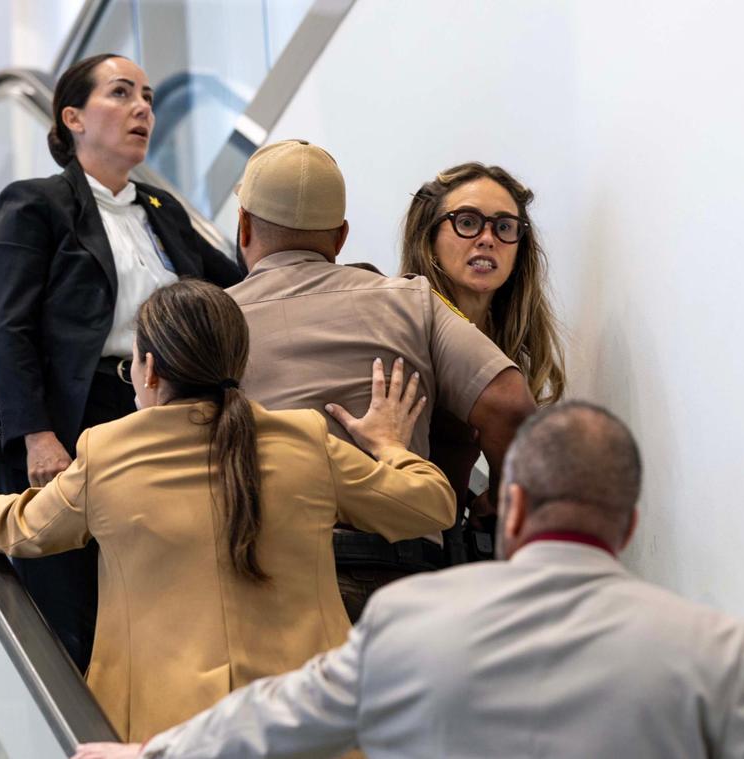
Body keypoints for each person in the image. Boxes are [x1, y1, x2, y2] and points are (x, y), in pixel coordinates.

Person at [75, 402, 744, 759]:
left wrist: (149, 751)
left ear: (510, 505)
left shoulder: (411, 619)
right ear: (629, 524)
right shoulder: (721, 651)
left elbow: (274, 716)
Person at [0, 279, 456, 744]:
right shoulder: (305, 440)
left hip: (163, 733)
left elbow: (29, 528)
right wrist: (390, 444)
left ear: (150, 368)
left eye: (129, 362)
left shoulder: (107, 452)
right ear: (237, 362)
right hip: (304, 725)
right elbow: (431, 507)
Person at [0, 54, 241, 669]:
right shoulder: (35, 204)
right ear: (73, 117)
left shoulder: (166, 215)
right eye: (121, 94)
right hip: (68, 418)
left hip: (157, 417)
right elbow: (9, 329)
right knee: (72, 615)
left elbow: (242, 292)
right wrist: (37, 435)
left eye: (147, 96)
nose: (144, 108)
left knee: (149, 610)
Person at [226, 139, 536, 619]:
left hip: (271, 573)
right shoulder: (410, 301)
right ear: (341, 237)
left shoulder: (216, 319)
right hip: (404, 572)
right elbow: (510, 403)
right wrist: (497, 494)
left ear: (243, 226)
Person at [400, 162, 568, 562]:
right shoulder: (402, 324)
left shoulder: (499, 345)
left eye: (504, 227)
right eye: (468, 222)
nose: (487, 239)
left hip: (440, 554)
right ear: (430, 235)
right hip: (391, 552)